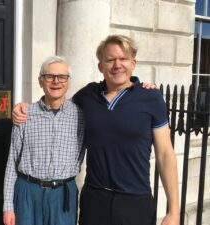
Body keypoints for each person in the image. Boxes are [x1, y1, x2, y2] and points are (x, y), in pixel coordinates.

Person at [12, 35, 179, 225]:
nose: (117, 65)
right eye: (110, 60)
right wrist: (26, 108)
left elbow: (165, 154)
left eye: (123, 59)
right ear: (101, 66)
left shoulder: (151, 98)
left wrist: (174, 211)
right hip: (94, 200)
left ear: (133, 63)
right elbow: (56, 108)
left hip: (135, 201)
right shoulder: (88, 95)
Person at [3, 56, 85, 225]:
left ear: (68, 82)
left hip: (63, 193)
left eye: (62, 77)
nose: (56, 81)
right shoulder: (25, 115)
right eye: (49, 76)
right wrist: (8, 206)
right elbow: (12, 162)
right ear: (41, 81)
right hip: (28, 192)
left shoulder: (81, 116)